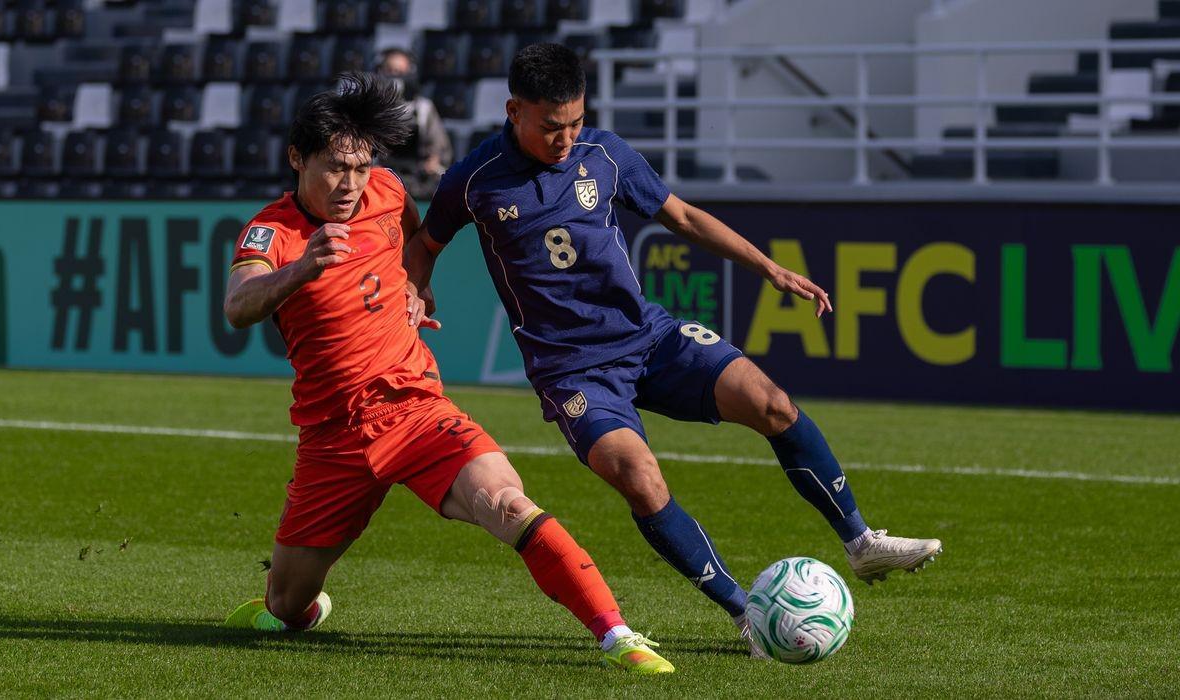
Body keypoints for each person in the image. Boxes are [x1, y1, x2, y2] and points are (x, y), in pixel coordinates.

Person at [403, 44, 943, 656]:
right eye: (552, 126)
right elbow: (424, 244)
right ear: (514, 111)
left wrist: (769, 268)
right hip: (572, 372)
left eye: (576, 122)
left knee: (772, 403)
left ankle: (862, 543)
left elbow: (682, 217)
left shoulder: (605, 153)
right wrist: (416, 289)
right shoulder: (475, 178)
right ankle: (746, 613)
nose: (566, 138)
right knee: (639, 477)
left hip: (646, 336)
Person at [219, 72, 673, 675]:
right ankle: (302, 604)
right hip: (334, 437)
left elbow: (413, 248)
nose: (350, 184)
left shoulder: (387, 191)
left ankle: (618, 635)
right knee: (285, 605)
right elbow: (238, 306)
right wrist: (301, 269)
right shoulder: (272, 231)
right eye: (334, 168)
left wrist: (417, 289)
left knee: (506, 503)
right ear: (297, 158)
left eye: (360, 167)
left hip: (415, 409)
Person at [376, 47, 453, 197]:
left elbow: (440, 148)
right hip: (383, 176)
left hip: (418, 178)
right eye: (390, 70)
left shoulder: (424, 108)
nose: (395, 76)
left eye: (400, 71)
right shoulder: (373, 108)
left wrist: (433, 160)